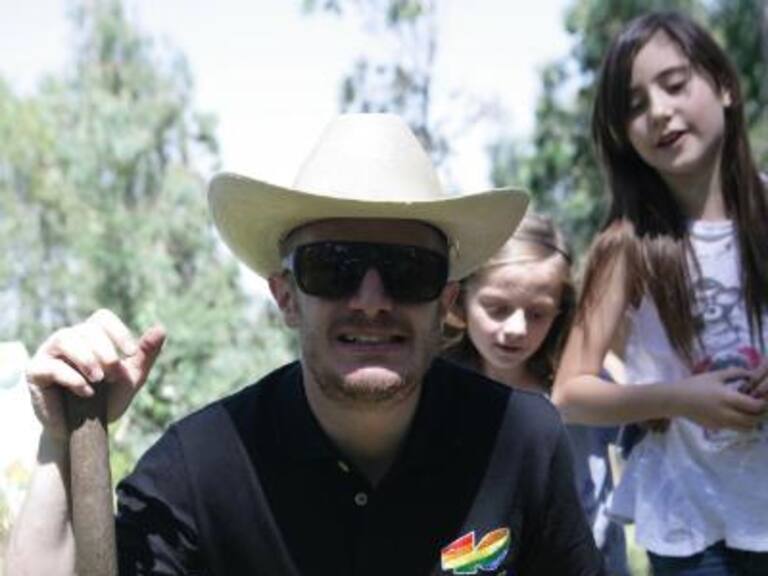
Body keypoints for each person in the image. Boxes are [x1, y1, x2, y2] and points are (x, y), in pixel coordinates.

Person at [7, 113, 604, 576]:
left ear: (445, 301)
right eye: (334, 266)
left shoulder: (520, 438)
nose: (372, 299)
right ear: (286, 296)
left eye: (407, 271)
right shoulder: (201, 466)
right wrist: (61, 440)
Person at [552, 11, 768, 575]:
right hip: (692, 531)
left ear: (724, 86)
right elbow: (570, 395)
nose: (659, 111)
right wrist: (679, 398)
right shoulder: (626, 247)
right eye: (635, 105)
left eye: (674, 84)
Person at [442, 213, 629, 575]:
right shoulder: (437, 389)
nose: (516, 328)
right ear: (460, 300)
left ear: (561, 312)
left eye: (538, 313)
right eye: (497, 308)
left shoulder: (586, 387)